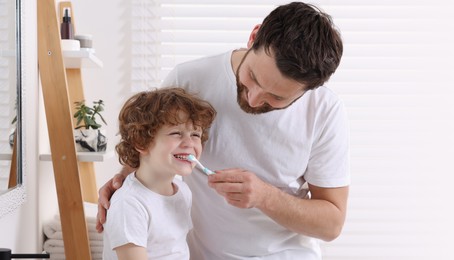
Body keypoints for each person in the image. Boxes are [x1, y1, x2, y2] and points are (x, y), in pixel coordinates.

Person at [97, 2, 349, 259]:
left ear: (308, 91)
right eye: (253, 77)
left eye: (276, 97)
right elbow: (151, 142)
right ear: (253, 37)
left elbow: (332, 224)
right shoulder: (189, 79)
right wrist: (124, 182)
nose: (253, 99)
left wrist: (265, 197)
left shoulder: (324, 111)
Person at [102, 88, 217, 260]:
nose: (189, 143)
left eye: (195, 134)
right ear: (141, 142)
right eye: (176, 133)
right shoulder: (129, 204)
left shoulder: (183, 191)